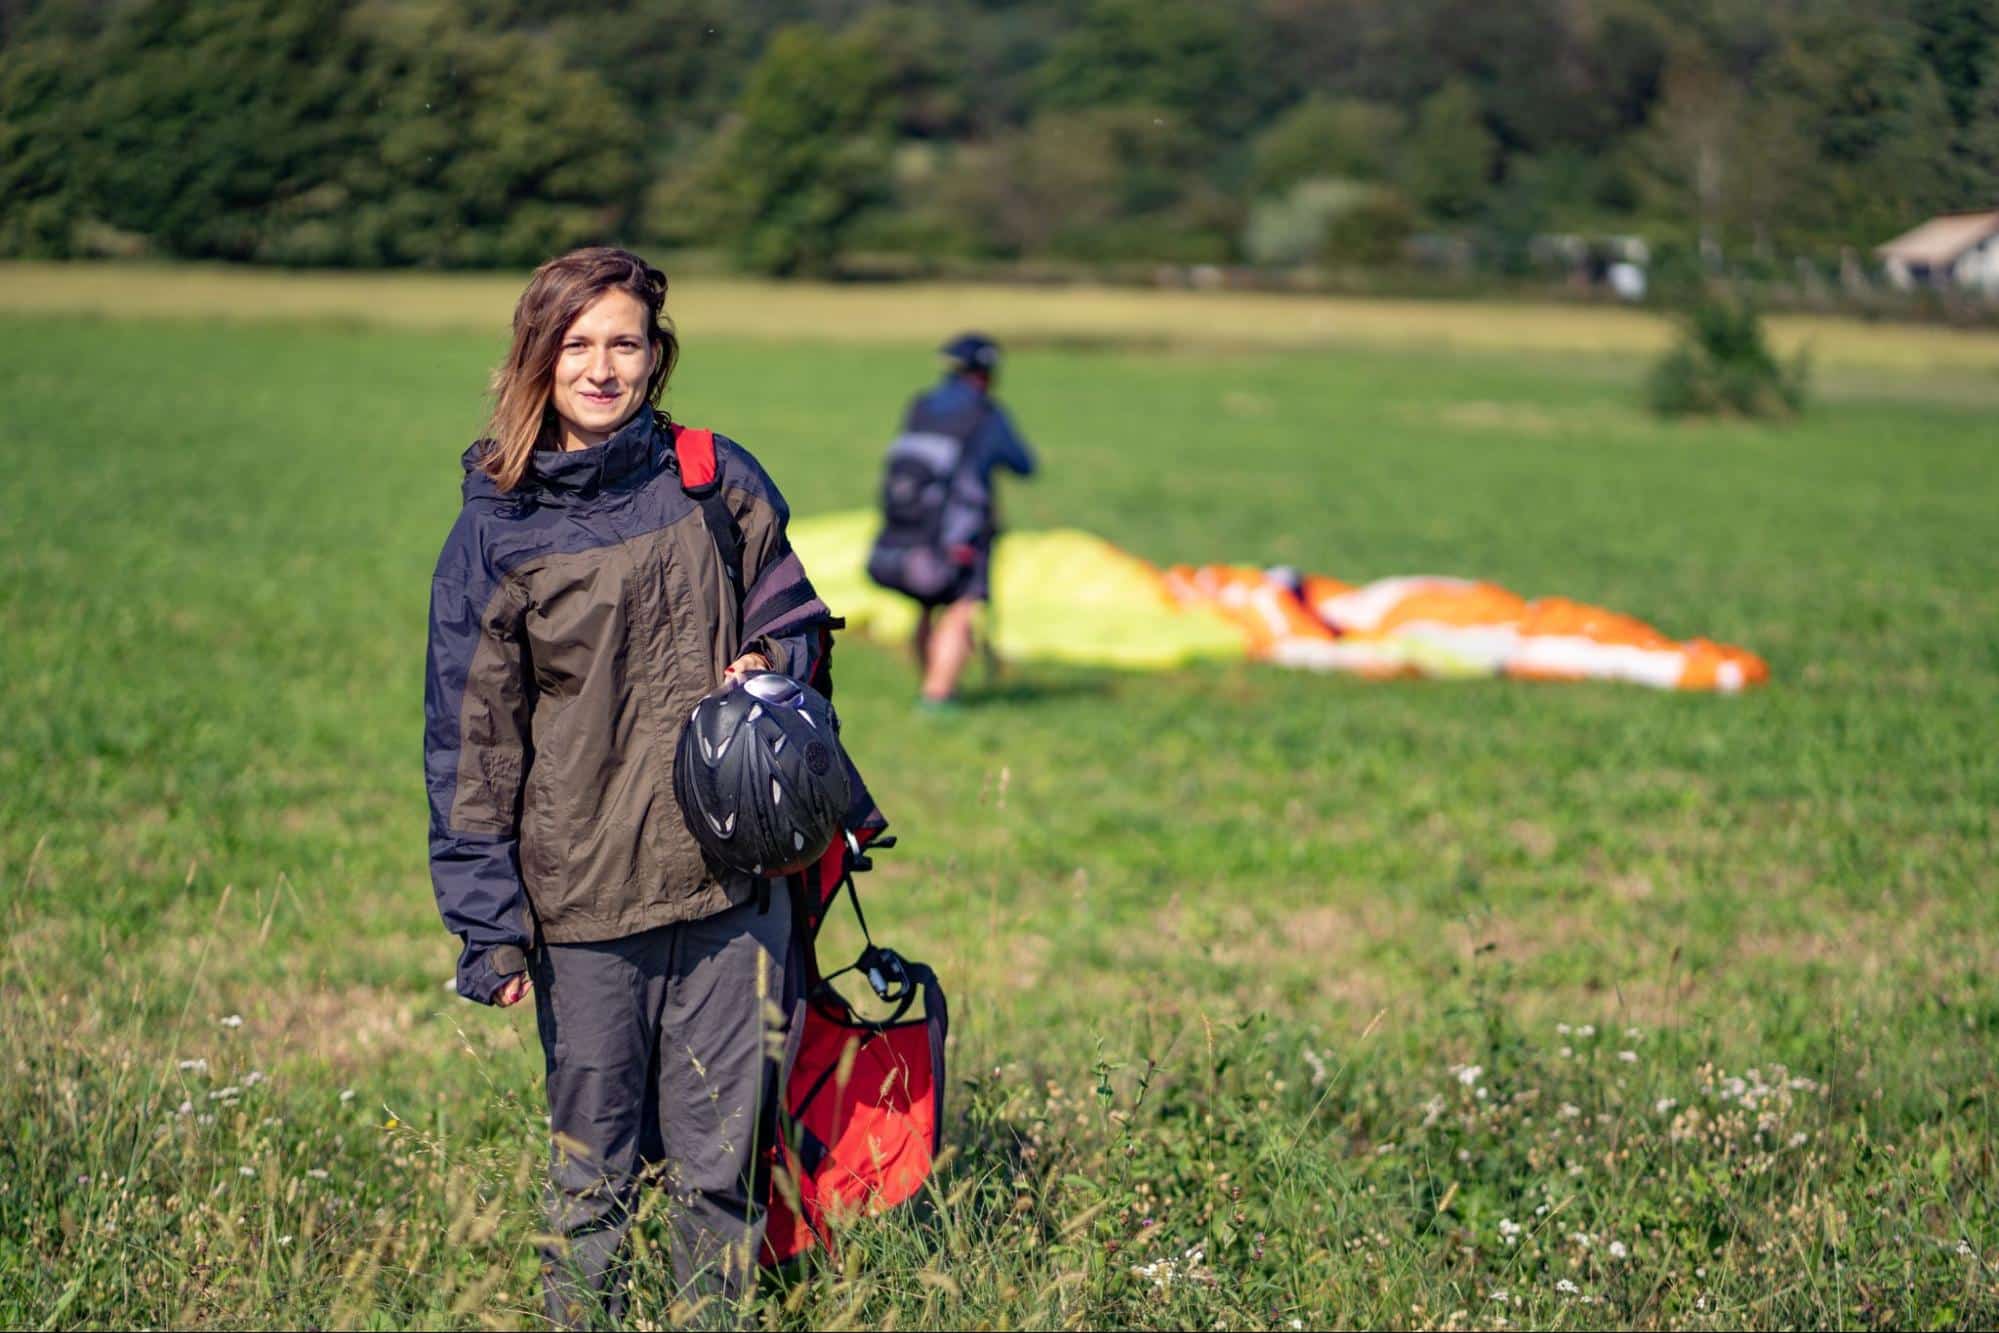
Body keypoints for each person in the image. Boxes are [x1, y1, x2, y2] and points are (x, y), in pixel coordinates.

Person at [423, 247, 836, 1327]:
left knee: (720, 1163)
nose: (602, 367)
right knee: (593, 1173)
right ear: (538, 358)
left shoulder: (713, 477)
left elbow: (795, 616)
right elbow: (473, 745)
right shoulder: (497, 530)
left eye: (625, 343)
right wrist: (488, 924)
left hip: (731, 888)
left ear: (656, 357)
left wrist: (774, 665)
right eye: (578, 344)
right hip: (587, 899)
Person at [868, 333, 1035, 707]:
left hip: (909, 531)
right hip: (960, 534)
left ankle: (930, 682)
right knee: (962, 608)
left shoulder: (922, 406)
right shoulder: (985, 414)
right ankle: (937, 698)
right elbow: (1023, 464)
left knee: (926, 607)